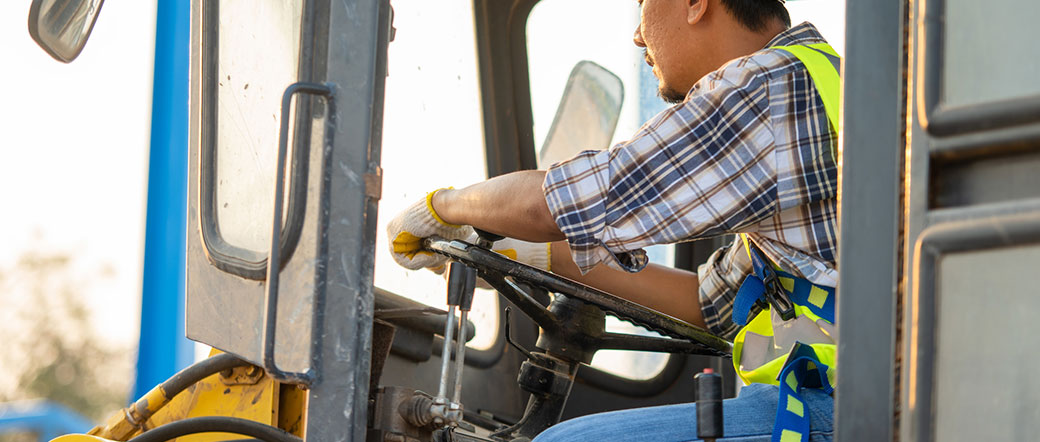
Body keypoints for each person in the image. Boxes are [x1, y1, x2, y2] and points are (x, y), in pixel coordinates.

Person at [386, 0, 840, 440]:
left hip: (843, 406)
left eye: (643, 4)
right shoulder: (818, 83)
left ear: (696, 3)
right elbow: (710, 304)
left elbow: (551, 206)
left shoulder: (768, 86)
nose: (638, 34)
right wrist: (535, 256)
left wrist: (442, 205)